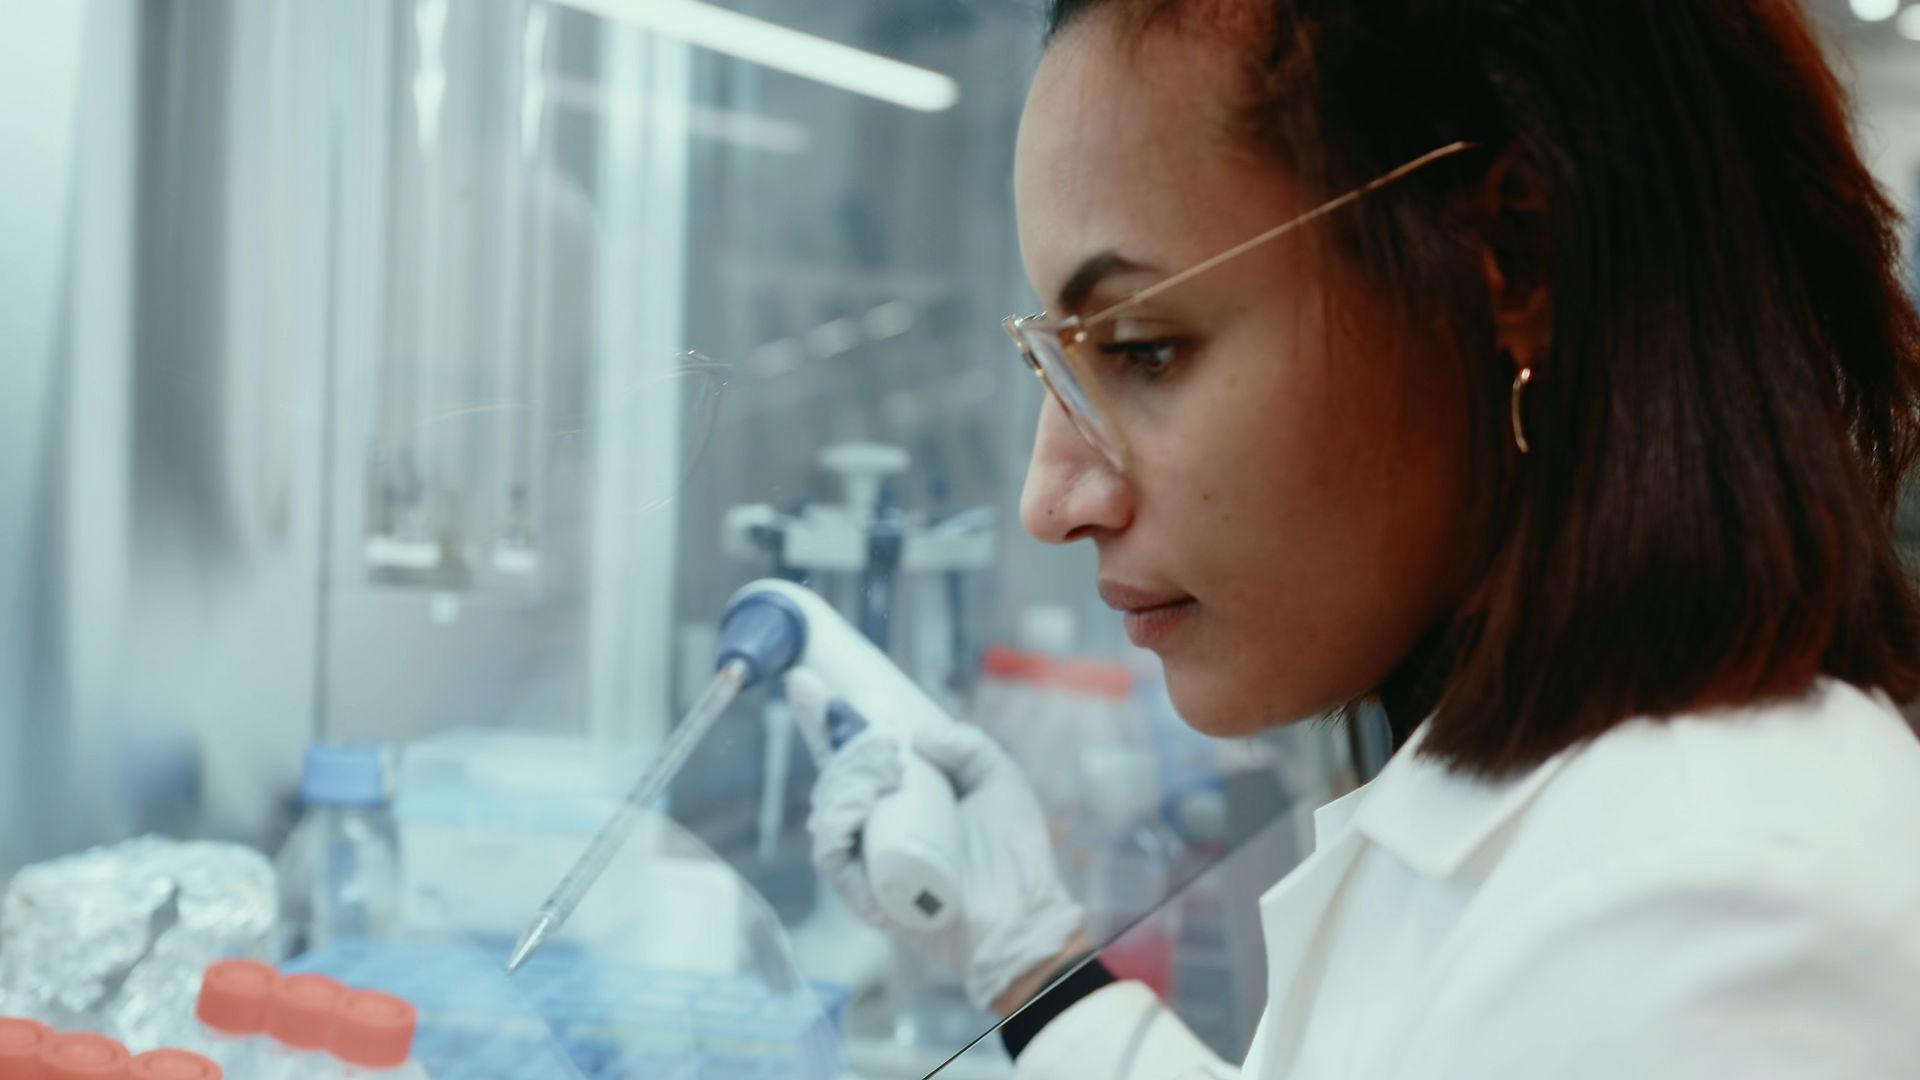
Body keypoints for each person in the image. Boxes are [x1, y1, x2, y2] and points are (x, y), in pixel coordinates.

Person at [803, 1, 1920, 1076]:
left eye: (1142, 347)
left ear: (1514, 259)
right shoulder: (1564, 812)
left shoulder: (1716, 919)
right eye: (1057, 363)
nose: (1049, 502)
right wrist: (1029, 961)